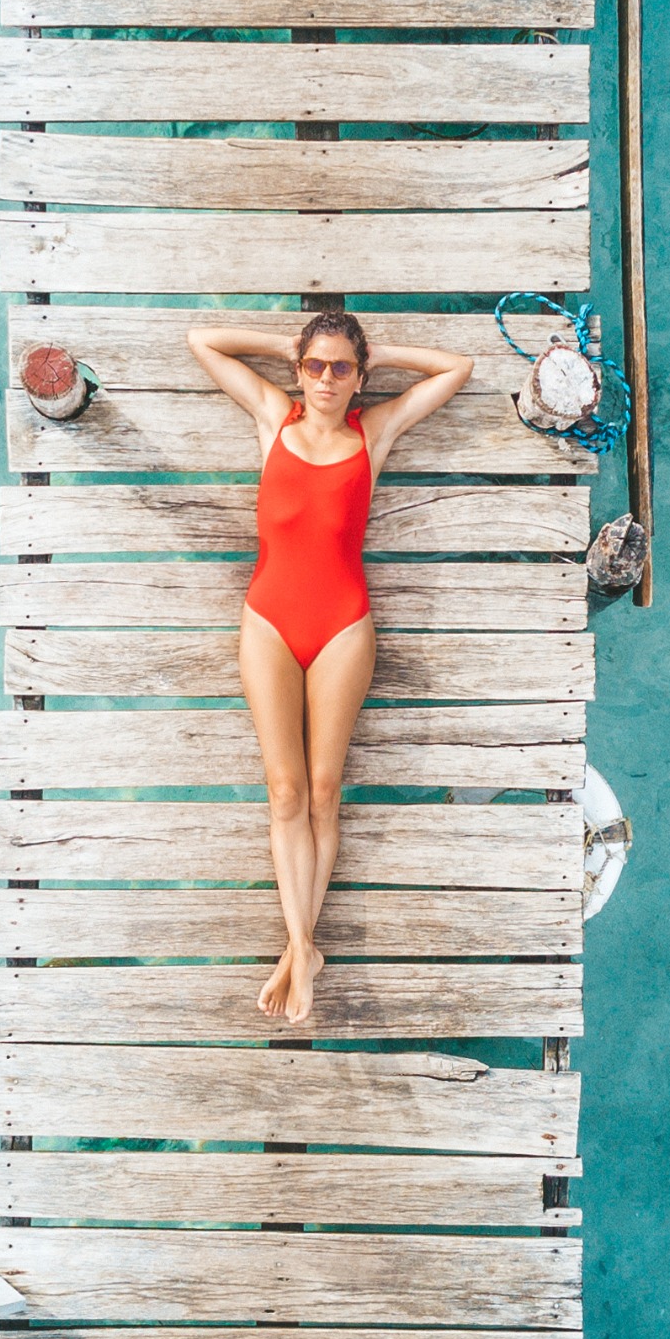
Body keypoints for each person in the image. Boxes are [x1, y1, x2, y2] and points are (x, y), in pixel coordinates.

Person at [187, 310, 474, 1024]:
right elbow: (202, 341)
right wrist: (286, 343)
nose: (324, 378)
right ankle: (303, 947)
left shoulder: (370, 434)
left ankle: (299, 951)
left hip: (343, 625)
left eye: (340, 368)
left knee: (321, 791)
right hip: (269, 622)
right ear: (297, 369)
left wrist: (374, 353)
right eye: (313, 365)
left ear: (358, 376)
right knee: (283, 793)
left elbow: (456, 369)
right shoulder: (271, 416)